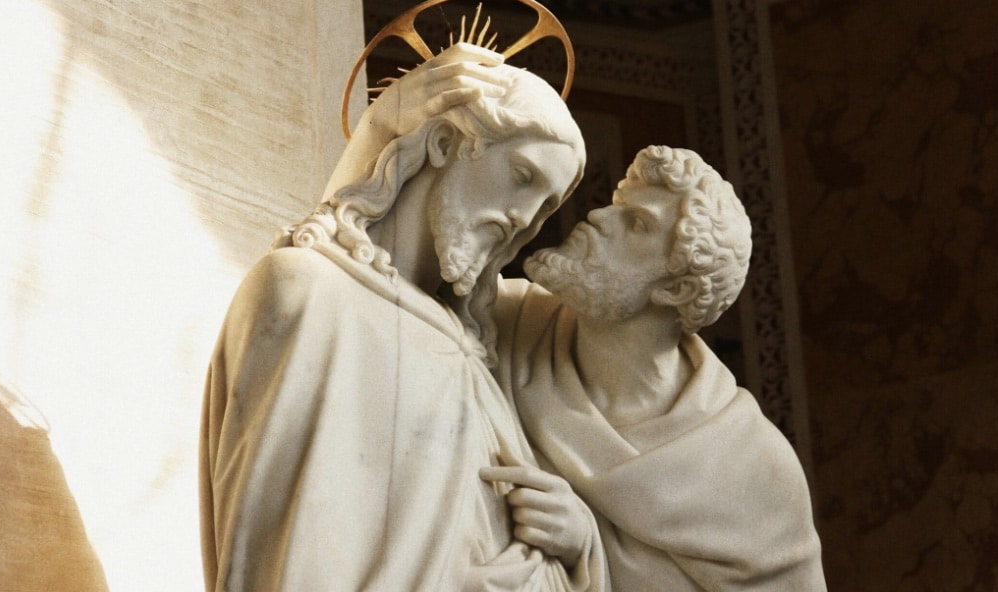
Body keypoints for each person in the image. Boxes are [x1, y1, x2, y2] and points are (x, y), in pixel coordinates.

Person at [199, 41, 608, 591]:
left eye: (546, 206)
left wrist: (577, 541)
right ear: (442, 143)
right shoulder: (309, 292)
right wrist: (378, 129)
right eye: (523, 176)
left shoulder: (470, 352)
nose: (524, 218)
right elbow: (278, 556)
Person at [488, 146, 826, 591]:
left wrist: (586, 548)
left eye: (637, 223)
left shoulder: (752, 465)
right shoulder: (503, 325)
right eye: (616, 204)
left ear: (675, 289)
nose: (598, 216)